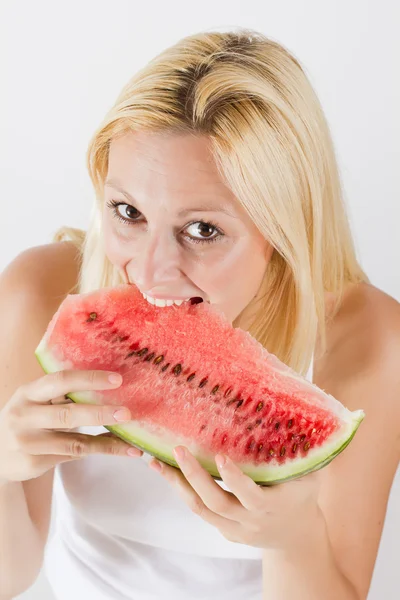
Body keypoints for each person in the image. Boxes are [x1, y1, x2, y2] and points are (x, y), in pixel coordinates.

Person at [0, 28, 399, 600]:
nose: (151, 269)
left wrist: (295, 539)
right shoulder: (38, 295)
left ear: (284, 232)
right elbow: (9, 576)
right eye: (127, 211)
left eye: (203, 230)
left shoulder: (370, 341)